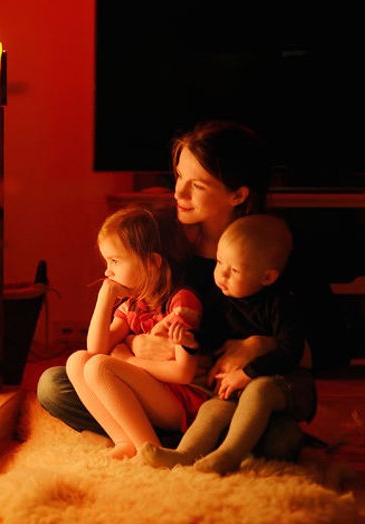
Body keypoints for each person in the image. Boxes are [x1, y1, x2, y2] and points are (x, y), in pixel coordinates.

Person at [38, 120, 325, 459]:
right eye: (178, 177)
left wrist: (260, 344)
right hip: (163, 388)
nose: (178, 193)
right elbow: (138, 316)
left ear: (238, 194)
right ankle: (164, 440)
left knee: (279, 438)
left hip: (227, 395)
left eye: (197, 185)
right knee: (54, 385)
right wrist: (135, 343)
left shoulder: (275, 250)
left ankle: (186, 442)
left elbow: (330, 348)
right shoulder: (168, 245)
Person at [141, 214, 316, 473]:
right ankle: (185, 454)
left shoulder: (282, 304)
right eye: (220, 262)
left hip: (288, 385)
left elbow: (291, 352)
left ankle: (228, 455)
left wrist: (248, 373)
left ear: (266, 277)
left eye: (233, 270)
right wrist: (188, 339)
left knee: (260, 391)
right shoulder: (224, 299)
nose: (221, 274)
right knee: (213, 407)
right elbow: (212, 337)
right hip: (238, 387)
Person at [65, 207, 208, 458]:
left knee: (100, 367)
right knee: (78, 362)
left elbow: (184, 373)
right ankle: (125, 441)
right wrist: (105, 298)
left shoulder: (181, 301)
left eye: (115, 261)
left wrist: (129, 360)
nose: (108, 271)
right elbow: (95, 349)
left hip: (182, 402)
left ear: (152, 262)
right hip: (153, 392)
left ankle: (149, 448)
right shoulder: (134, 303)